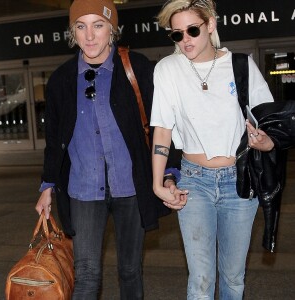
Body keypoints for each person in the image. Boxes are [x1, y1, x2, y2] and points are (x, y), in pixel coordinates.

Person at [35, 0, 170, 299]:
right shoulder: (60, 80)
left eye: (99, 25)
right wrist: (47, 186)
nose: (90, 35)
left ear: (112, 28)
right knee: (86, 275)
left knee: (130, 270)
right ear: (73, 33)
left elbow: (163, 125)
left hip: (130, 187)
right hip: (83, 190)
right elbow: (54, 139)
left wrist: (168, 173)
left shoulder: (137, 68)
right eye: (81, 27)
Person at [150, 0, 275, 299]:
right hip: (194, 183)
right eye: (176, 34)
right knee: (201, 280)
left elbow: (268, 126)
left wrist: (266, 141)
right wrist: (157, 183)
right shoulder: (168, 69)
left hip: (240, 182)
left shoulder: (241, 65)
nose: (185, 40)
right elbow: (163, 130)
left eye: (192, 30)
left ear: (210, 25)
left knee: (233, 278)